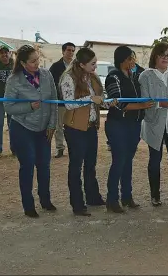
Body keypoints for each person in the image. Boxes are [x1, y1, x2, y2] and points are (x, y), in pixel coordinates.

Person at [60, 48, 116, 216]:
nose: (95, 67)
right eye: (92, 64)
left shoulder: (92, 78)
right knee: (76, 166)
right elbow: (69, 104)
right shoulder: (68, 78)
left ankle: (93, 197)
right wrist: (90, 99)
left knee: (90, 165)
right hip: (75, 128)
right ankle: (77, 204)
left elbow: (99, 99)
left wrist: (107, 103)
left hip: (91, 126)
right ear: (82, 64)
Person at [4, 45, 58, 218]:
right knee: (27, 166)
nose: (37, 63)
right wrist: (28, 106)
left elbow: (54, 101)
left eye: (38, 59)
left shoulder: (46, 75)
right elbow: (8, 106)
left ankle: (45, 200)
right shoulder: (14, 80)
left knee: (44, 166)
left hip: (44, 129)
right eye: (32, 61)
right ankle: (28, 205)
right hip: (23, 128)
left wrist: (52, 124)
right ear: (22, 62)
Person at [105, 46, 154, 213]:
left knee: (127, 162)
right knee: (119, 161)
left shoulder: (134, 76)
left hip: (134, 124)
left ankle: (127, 196)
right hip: (118, 125)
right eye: (131, 59)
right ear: (123, 60)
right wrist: (141, 105)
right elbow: (119, 103)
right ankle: (112, 199)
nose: (134, 62)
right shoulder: (113, 77)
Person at [138, 42, 168, 206]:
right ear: (155, 56)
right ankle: (155, 195)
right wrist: (160, 105)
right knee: (154, 160)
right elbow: (145, 101)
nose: (165, 58)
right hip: (154, 124)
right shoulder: (145, 76)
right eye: (162, 55)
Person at [49, 42, 76, 158]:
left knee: (73, 125)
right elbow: (51, 84)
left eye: (72, 51)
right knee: (59, 126)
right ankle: (60, 148)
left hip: (74, 102)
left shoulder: (77, 66)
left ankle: (73, 147)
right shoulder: (55, 67)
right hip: (60, 101)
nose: (70, 53)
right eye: (68, 50)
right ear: (63, 51)